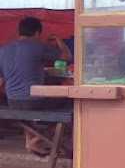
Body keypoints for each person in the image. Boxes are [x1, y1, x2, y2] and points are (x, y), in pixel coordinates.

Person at [0, 17, 72, 155]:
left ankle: (31, 140)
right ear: (38, 33)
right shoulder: (38, 46)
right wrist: (58, 39)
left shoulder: (3, 50)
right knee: (70, 101)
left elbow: (1, 80)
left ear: (19, 31)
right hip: (35, 102)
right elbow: (67, 57)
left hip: (12, 101)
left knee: (28, 108)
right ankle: (38, 140)